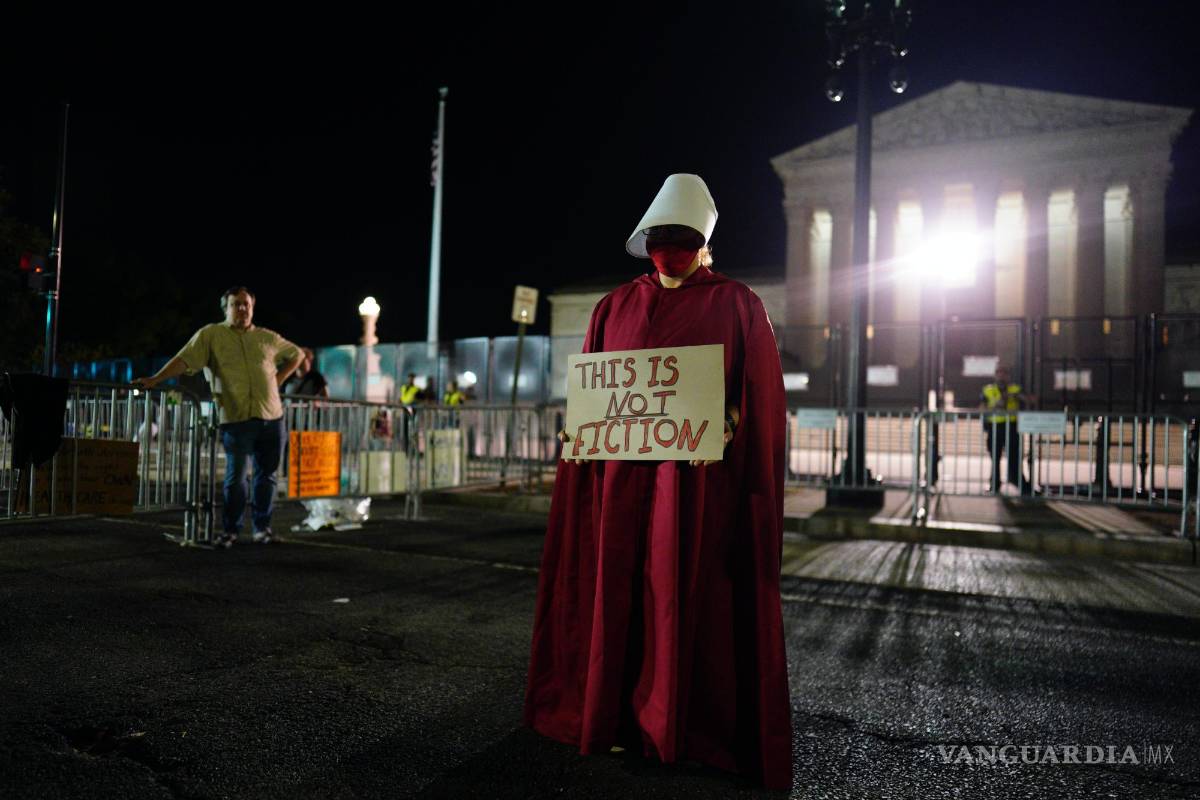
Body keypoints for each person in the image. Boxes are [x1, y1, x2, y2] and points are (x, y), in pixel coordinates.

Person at [523, 174, 792, 789]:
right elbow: (600, 390)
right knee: (619, 590)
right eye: (660, 239)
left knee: (679, 594)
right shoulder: (614, 306)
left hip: (693, 487)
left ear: (703, 244)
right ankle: (615, 715)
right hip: (620, 483)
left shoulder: (738, 304)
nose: (669, 251)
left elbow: (756, 397)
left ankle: (683, 725)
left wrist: (727, 425)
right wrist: (583, 430)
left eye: (681, 239)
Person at [135, 287, 302, 546]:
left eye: (246, 304)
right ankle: (231, 531)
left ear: (252, 307)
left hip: (272, 417)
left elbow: (297, 354)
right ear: (226, 308)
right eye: (236, 304)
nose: (242, 308)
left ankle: (262, 529)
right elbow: (184, 359)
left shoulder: (267, 337)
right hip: (236, 419)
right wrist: (156, 378)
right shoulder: (211, 335)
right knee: (236, 479)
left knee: (267, 477)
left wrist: (277, 380)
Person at [979, 365, 1033, 494]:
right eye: (999, 374)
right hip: (995, 427)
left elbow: (1030, 400)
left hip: (1012, 427)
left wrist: (1018, 396)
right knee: (995, 457)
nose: (1001, 377)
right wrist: (996, 405)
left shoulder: (1015, 389)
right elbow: (981, 408)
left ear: (1008, 377)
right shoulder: (988, 390)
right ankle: (994, 484)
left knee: (1014, 457)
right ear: (995, 376)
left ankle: (1018, 482)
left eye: (1004, 374)